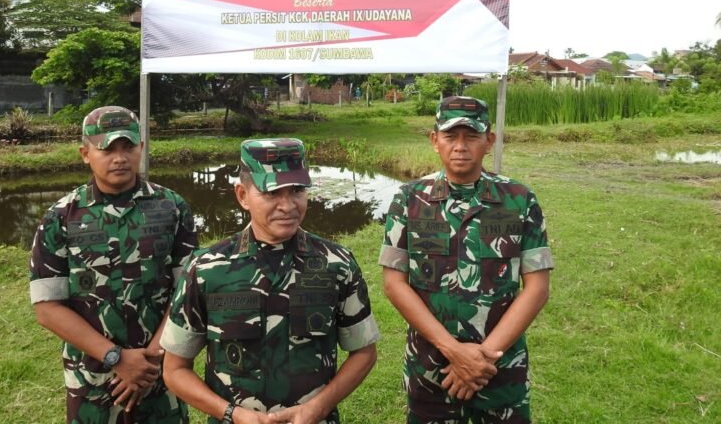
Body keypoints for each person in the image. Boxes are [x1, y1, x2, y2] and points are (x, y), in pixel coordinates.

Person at [161, 137, 379, 424]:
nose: (287, 205)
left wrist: (318, 407)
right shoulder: (206, 269)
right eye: (272, 192)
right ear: (242, 195)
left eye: (297, 190)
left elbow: (363, 352)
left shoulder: (336, 264)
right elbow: (175, 369)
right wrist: (232, 414)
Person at [379, 96, 554, 424]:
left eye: (471, 136)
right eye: (450, 136)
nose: (460, 146)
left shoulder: (519, 200)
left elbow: (537, 288)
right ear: (435, 141)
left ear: (489, 141)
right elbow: (393, 284)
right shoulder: (409, 200)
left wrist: (482, 359)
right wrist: (455, 351)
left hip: (500, 371)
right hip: (431, 370)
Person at [29, 105, 197, 423]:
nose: (119, 157)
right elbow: (47, 307)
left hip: (159, 375)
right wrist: (116, 357)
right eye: (107, 148)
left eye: (128, 147)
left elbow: (186, 291)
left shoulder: (172, 208)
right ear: (85, 153)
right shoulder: (61, 218)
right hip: (91, 380)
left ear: (141, 149)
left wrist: (150, 360)